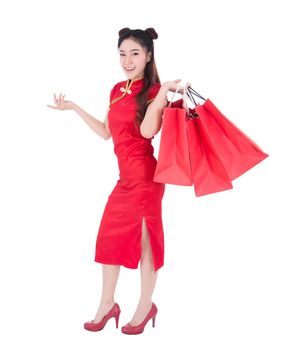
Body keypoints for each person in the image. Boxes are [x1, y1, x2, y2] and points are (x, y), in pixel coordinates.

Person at [47, 27, 183, 335]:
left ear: (148, 56)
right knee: (109, 238)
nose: (128, 60)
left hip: (147, 177)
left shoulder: (152, 91)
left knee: (146, 243)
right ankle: (108, 304)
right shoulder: (116, 89)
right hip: (125, 179)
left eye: (135, 53)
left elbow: (148, 132)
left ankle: (145, 306)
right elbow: (106, 132)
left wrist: (161, 95)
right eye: (123, 53)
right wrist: (73, 108)